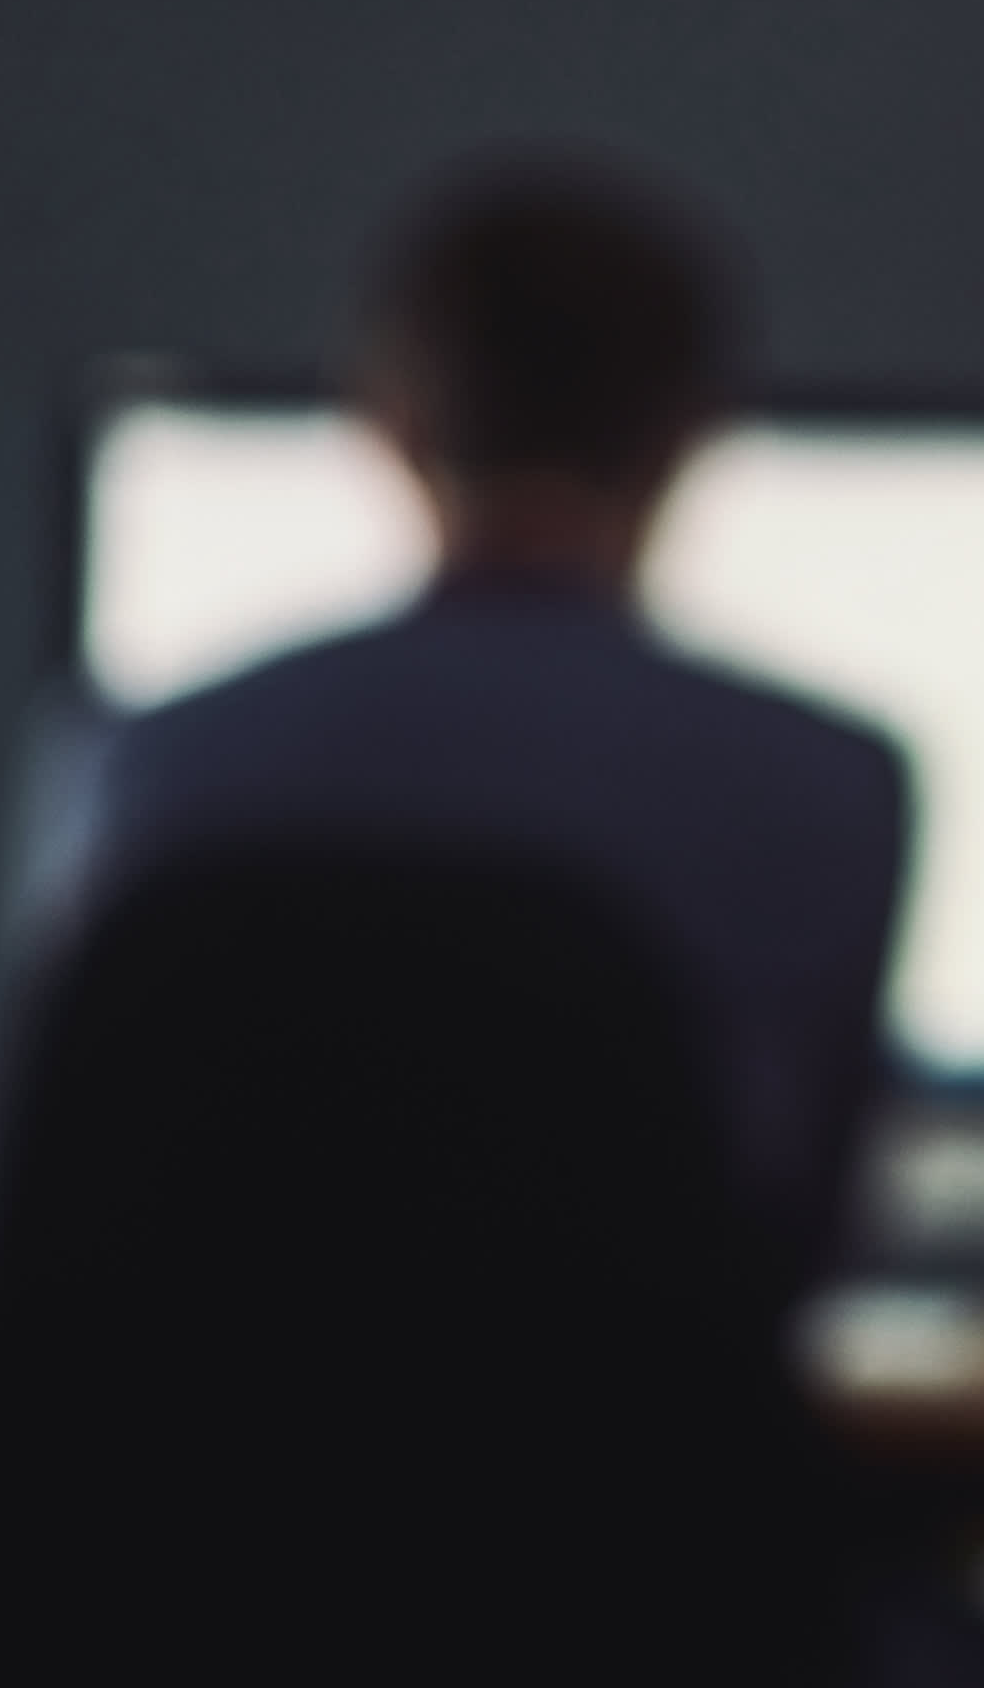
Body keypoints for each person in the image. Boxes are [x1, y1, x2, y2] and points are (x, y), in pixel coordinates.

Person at [62, 157, 911, 1304]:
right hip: (632, 1464)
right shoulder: (834, 786)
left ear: (389, 423)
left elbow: (64, 1220)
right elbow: (798, 1248)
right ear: (689, 438)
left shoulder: (151, 764)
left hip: (203, 1463)